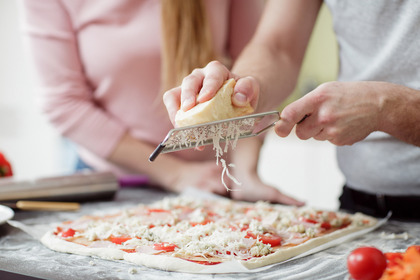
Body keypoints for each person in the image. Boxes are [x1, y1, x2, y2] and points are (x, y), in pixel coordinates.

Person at [19, 0, 303, 205]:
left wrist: (244, 174)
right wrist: (175, 174)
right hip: (114, 183)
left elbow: (253, 84)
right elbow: (63, 103)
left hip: (212, 180)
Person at [163, 0, 420, 220]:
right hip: (363, 207)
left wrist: (388, 107)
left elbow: (387, 105)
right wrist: (243, 88)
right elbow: (278, 47)